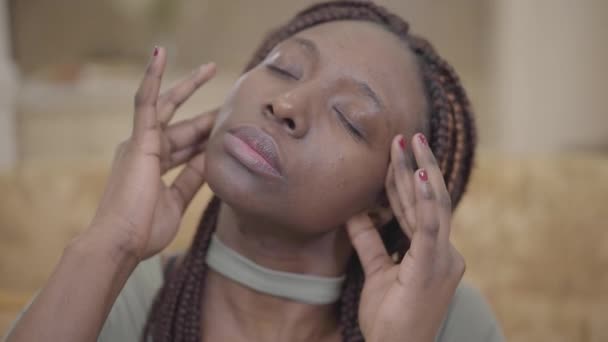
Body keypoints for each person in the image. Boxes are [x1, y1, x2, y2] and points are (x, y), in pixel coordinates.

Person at [5, 1, 504, 341]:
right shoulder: (115, 295)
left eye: (349, 118)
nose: (285, 103)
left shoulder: (447, 320)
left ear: (386, 201)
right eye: (283, 67)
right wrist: (110, 242)